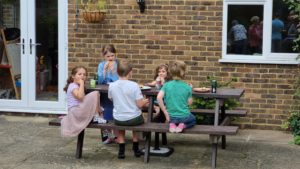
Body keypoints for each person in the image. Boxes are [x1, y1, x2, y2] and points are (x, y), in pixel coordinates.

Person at [108, 59, 148, 159]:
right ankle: (136, 148)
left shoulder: (112, 85)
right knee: (138, 118)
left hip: (118, 119)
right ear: (130, 72)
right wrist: (146, 100)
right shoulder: (134, 85)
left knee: (121, 126)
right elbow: (139, 105)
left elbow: (111, 98)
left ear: (117, 72)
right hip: (134, 119)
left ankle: (121, 151)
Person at [61, 66, 104, 137]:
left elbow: (83, 99)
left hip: (78, 110)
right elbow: (80, 97)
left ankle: (99, 116)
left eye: (84, 74)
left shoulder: (77, 86)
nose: (82, 76)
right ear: (73, 76)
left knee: (96, 96)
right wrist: (82, 84)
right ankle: (98, 115)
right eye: (79, 74)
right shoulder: (72, 86)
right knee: (95, 93)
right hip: (75, 111)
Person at [157, 61, 196, 133]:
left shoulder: (166, 85)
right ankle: (182, 125)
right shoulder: (187, 87)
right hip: (184, 117)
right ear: (183, 72)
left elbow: (159, 97)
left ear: (171, 72)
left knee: (173, 120)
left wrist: (165, 112)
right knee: (193, 119)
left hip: (170, 116)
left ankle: (172, 125)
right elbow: (189, 103)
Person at [97, 44, 119, 144]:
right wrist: (105, 71)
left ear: (115, 55)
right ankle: (108, 136)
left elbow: (118, 80)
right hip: (105, 92)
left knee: (116, 114)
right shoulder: (101, 65)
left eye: (112, 56)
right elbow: (100, 81)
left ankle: (117, 136)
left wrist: (113, 71)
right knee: (105, 113)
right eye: (108, 56)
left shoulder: (118, 64)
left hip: (116, 92)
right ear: (103, 56)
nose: (110, 58)